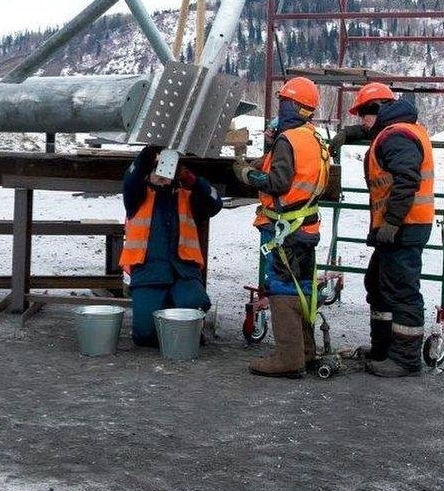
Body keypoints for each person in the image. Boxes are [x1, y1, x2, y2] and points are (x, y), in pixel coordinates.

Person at [330, 82, 433, 377]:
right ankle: (383, 347)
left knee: (402, 292)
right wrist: (348, 133)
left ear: (378, 110)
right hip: (401, 226)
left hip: (403, 226)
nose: (362, 121)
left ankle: (405, 359)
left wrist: (392, 221)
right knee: (378, 284)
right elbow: (370, 130)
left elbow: (406, 179)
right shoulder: (397, 128)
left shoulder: (396, 136)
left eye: (364, 113)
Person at [234, 77, 329, 377]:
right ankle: (305, 351)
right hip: (306, 225)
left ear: (292, 106)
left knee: (282, 286)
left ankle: (289, 359)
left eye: (283, 102)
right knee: (301, 287)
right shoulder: (313, 137)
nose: (281, 106)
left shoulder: (289, 140)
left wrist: (248, 175)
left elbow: (278, 182)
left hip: (286, 228)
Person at [120, 145, 222, 347]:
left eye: (167, 171)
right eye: (157, 171)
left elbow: (215, 202)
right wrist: (150, 152)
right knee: (144, 335)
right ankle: (167, 316)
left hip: (183, 272)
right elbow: (131, 177)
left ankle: (180, 320)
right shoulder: (136, 195)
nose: (162, 176)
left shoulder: (187, 196)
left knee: (194, 303)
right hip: (149, 272)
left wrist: (190, 179)